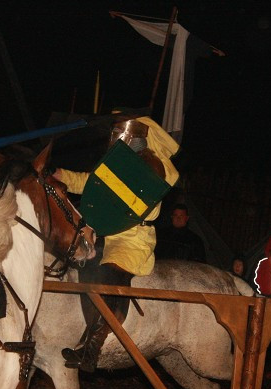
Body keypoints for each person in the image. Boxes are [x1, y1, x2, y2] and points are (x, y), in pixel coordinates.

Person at [55, 113, 180, 372]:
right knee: (78, 265)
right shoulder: (118, 164)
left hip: (134, 239)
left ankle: (94, 347)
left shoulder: (158, 167)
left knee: (109, 275)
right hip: (109, 233)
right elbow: (92, 185)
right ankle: (79, 328)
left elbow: (149, 196)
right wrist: (60, 176)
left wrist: (142, 158)